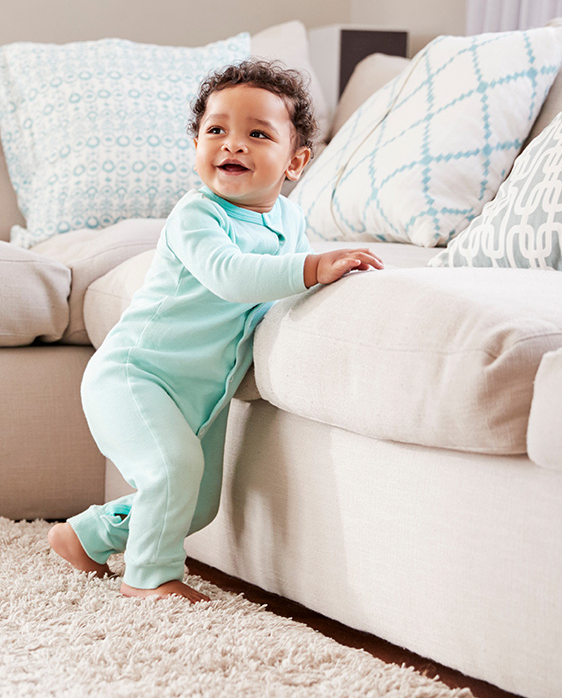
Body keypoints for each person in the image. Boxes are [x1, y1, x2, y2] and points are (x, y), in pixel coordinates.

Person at [48, 60, 383, 602]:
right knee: (172, 471)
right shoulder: (196, 215)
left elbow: (290, 279)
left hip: (202, 398)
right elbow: (232, 276)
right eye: (216, 130)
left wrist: (335, 268)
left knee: (197, 506)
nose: (234, 144)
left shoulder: (291, 224)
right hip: (135, 377)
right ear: (197, 144)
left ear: (295, 162)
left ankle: (85, 536)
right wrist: (314, 266)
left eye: (257, 133)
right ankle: (149, 578)